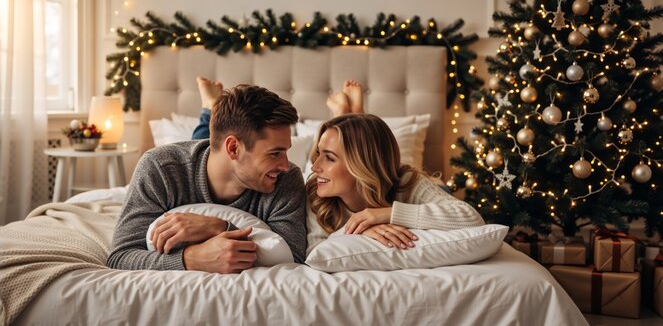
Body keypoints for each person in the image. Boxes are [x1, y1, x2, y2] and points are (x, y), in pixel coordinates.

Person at [191, 77, 485, 256]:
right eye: (317, 154)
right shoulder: (316, 196)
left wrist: (384, 213)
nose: (314, 166)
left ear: (360, 165)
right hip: (221, 141)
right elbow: (314, 253)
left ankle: (352, 115)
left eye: (328, 157)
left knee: (366, 139)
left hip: (384, 181)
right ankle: (210, 107)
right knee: (203, 144)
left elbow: (469, 218)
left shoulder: (406, 181)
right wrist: (357, 233)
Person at [106, 83, 307, 274]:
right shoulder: (160, 169)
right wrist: (192, 259)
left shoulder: (286, 179)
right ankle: (208, 105)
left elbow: (293, 258)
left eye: (286, 152)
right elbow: (121, 257)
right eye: (274, 153)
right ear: (233, 148)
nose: (285, 165)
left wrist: (217, 227)